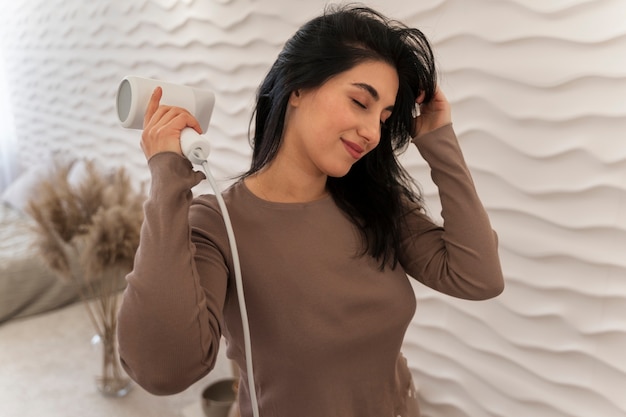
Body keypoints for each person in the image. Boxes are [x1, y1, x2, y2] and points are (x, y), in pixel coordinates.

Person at [117, 4, 504, 417]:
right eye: (360, 102)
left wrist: (439, 139)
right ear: (298, 88)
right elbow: (163, 370)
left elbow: (478, 276)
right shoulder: (218, 224)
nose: (374, 132)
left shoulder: (377, 205)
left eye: (385, 116)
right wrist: (167, 180)